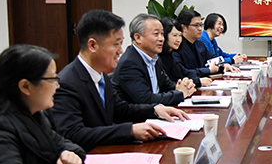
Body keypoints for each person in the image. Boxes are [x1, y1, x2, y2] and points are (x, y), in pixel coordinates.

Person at [51, 9, 189, 152]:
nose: (120, 51)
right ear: (92, 46)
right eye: (116, 44)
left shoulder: (101, 76)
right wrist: (129, 130)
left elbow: (121, 110)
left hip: (107, 150)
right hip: (88, 157)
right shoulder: (68, 83)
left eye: (121, 44)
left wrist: (155, 109)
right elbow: (73, 134)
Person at [112, 14, 195, 106]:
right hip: (139, 114)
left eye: (162, 34)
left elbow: (167, 85)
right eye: (156, 34)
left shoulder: (154, 58)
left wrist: (184, 86)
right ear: (138, 38)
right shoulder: (129, 63)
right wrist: (180, 93)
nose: (161, 39)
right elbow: (146, 99)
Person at [173, 9, 237, 80]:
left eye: (201, 25)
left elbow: (212, 57)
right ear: (184, 28)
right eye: (196, 25)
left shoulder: (199, 43)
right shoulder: (176, 46)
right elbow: (183, 73)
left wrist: (224, 64)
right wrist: (208, 70)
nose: (200, 29)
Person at [159, 17, 212, 88]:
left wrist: (198, 80)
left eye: (180, 36)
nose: (178, 40)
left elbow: (184, 72)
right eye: (175, 36)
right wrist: (197, 81)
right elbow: (170, 83)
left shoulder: (171, 54)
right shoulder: (159, 57)